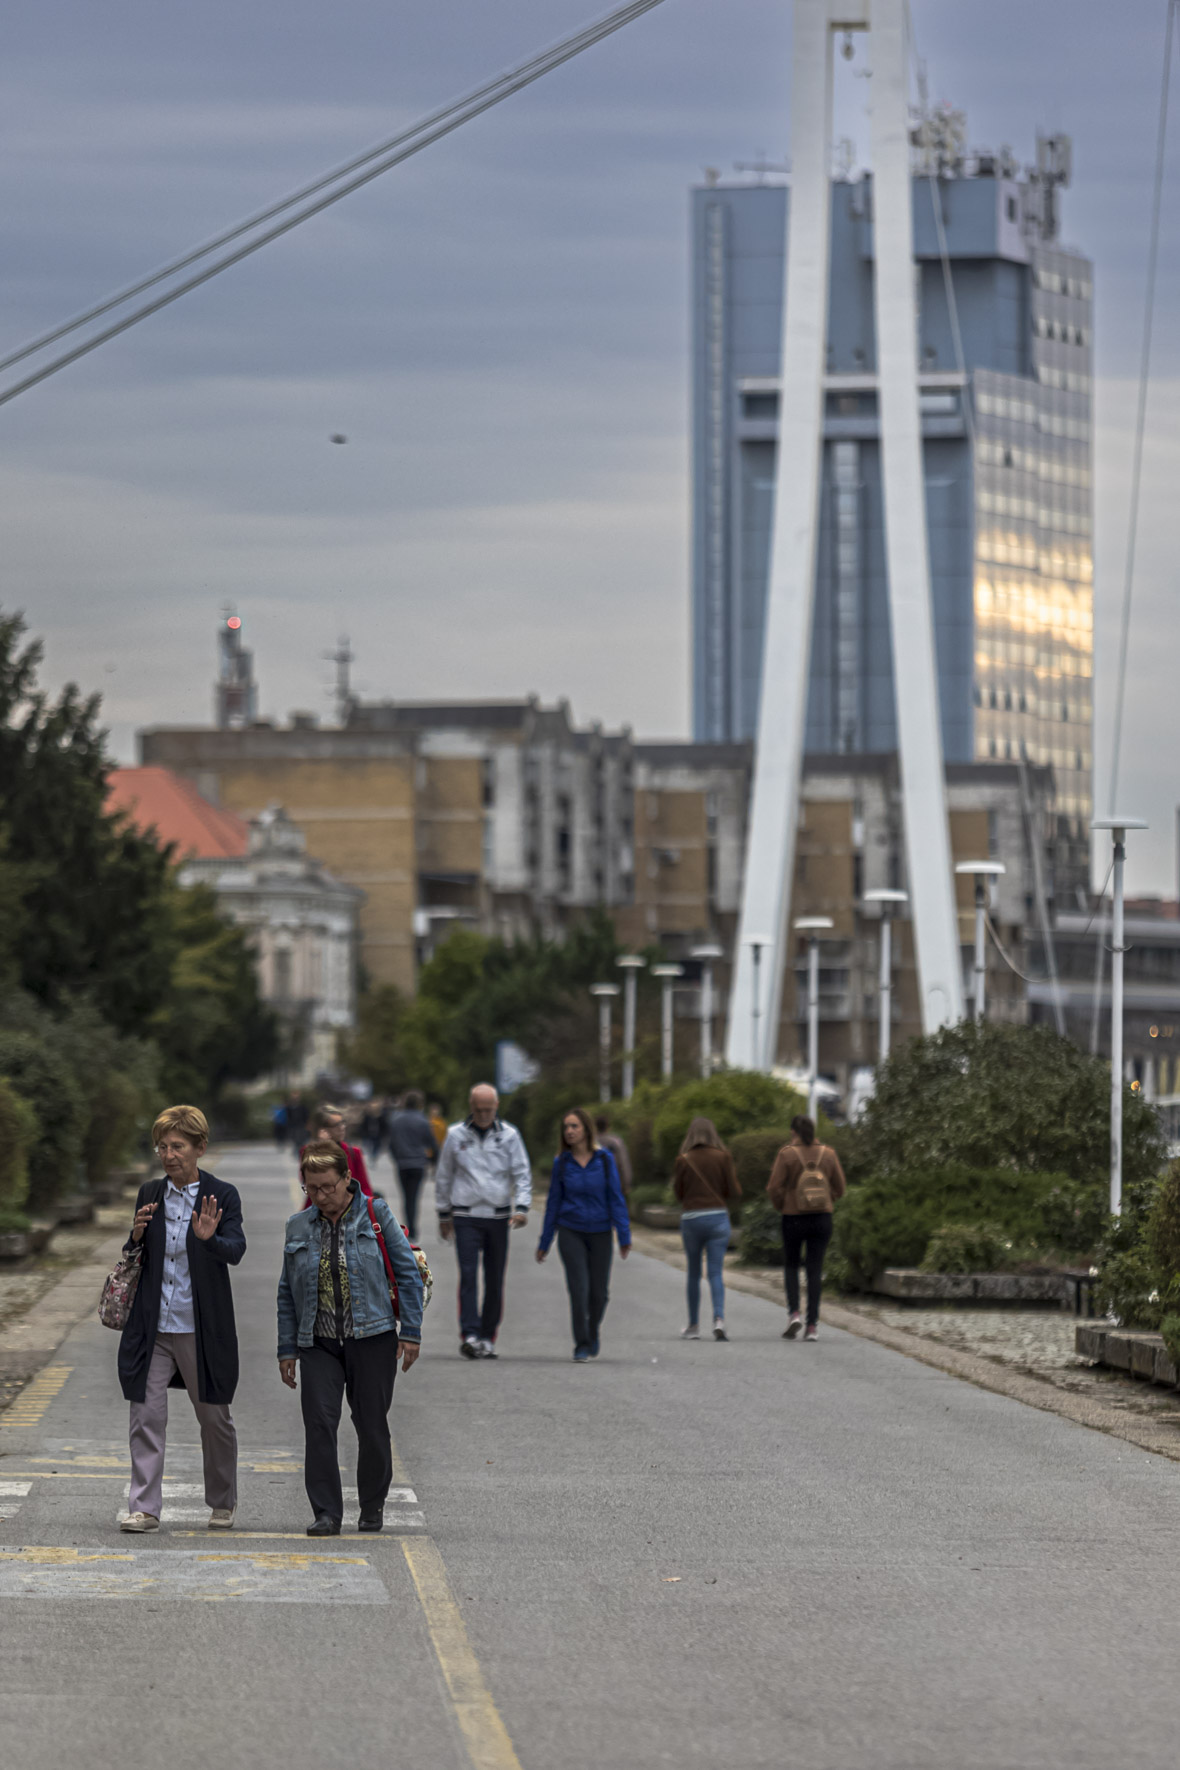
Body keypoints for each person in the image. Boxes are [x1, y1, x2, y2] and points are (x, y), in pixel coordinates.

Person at [277, 1142, 423, 1536]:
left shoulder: (376, 1214)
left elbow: (408, 1274)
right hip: (319, 1342)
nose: (320, 1196)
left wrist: (411, 1332)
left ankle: (372, 1505)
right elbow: (287, 1292)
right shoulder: (298, 1225)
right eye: (312, 1188)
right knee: (319, 1423)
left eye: (327, 1186)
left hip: (372, 1338)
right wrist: (287, 1348)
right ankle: (326, 1512)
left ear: (347, 1178)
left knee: (371, 1425)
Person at [117, 1104, 245, 1533]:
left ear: (199, 1147)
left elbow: (236, 1250)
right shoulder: (150, 1193)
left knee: (214, 1419)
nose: (168, 1155)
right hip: (153, 1326)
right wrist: (135, 1236)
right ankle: (144, 1508)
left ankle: (222, 1501)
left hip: (200, 1327)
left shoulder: (222, 1195)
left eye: (177, 1146)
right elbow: (136, 1256)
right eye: (162, 1147)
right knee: (146, 1416)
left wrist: (209, 1239)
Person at [435, 1083, 531, 1359]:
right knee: (468, 1275)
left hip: (498, 1215)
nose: (484, 1115)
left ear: (496, 1106)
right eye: (479, 1110)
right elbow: (444, 1174)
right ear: (471, 1107)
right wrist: (443, 1213)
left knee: (494, 1277)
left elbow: (522, 1173)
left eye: (488, 1109)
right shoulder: (456, 1134)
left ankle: (488, 1336)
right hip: (465, 1214)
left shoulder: (509, 1135)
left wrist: (521, 1207)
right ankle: (470, 1334)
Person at [536, 1108, 630, 1361]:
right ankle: (581, 1344)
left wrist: (624, 1235)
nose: (569, 1131)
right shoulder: (562, 1163)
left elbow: (616, 1198)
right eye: (566, 1127)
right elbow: (553, 1203)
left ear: (587, 1129)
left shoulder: (605, 1160)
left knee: (599, 1293)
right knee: (579, 1290)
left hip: (601, 1231)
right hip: (571, 1230)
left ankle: (592, 1330)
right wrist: (545, 1241)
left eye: (574, 1126)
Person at [767, 1114, 847, 1342]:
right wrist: (827, 1199)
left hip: (793, 1217)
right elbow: (841, 1187)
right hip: (822, 1217)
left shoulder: (787, 1154)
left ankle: (794, 1313)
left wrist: (783, 1204)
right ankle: (812, 1326)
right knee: (814, 1269)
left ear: (793, 1132)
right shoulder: (828, 1153)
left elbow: (773, 1187)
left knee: (792, 1265)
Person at [671, 1117, 741, 1342]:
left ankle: (693, 1326)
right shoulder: (723, 1157)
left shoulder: (683, 1159)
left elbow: (678, 1193)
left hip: (692, 1219)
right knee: (715, 1272)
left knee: (693, 1273)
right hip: (717, 1218)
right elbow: (733, 1190)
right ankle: (718, 1319)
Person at [386, 1090, 439, 1241]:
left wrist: (397, 1158)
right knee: (414, 1197)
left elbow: (391, 1143)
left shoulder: (396, 1119)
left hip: (403, 1163)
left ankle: (409, 1227)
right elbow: (432, 1144)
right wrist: (433, 1162)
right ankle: (413, 1228)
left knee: (406, 1197)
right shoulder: (423, 1120)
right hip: (418, 1163)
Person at [304, 1102, 373, 1198]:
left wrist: (367, 1204)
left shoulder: (353, 1152)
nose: (342, 1127)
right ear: (322, 1129)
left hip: (350, 1204)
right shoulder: (309, 1152)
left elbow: (365, 1187)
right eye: (336, 1125)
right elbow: (308, 1180)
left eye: (342, 1123)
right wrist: (323, 1148)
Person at [594, 1113, 632, 1195]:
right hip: (615, 1182)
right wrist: (626, 1183)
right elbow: (623, 1162)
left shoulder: (591, 1143)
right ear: (608, 1126)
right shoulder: (616, 1142)